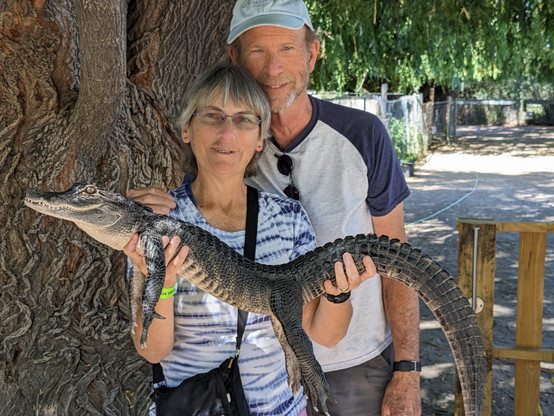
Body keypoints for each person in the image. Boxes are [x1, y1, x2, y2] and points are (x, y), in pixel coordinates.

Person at [129, 1, 421, 414]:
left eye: (287, 49)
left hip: (354, 361)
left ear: (312, 53)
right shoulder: (182, 207)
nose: (273, 69)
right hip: (223, 390)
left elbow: (399, 259)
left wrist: (407, 369)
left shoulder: (361, 137)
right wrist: (157, 231)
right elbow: (153, 345)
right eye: (257, 52)